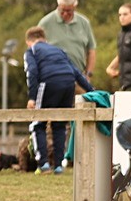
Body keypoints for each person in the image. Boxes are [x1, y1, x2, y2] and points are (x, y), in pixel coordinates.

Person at [24, 26, 92, 174]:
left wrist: (32, 97)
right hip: (68, 83)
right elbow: (76, 72)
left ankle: (43, 164)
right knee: (60, 125)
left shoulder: (31, 51)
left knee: (37, 123)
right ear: (44, 39)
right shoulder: (58, 50)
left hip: (48, 83)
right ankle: (59, 165)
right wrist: (91, 90)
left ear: (29, 41)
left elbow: (32, 72)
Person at [38, 0, 97, 82]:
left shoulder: (84, 22)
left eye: (69, 11)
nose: (65, 14)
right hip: (53, 77)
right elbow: (36, 51)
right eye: (62, 10)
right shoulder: (45, 23)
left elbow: (91, 50)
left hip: (78, 77)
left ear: (75, 6)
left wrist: (88, 74)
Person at [105, 3, 131, 91]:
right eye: (120, 15)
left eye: (125, 14)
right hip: (125, 83)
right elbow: (123, 53)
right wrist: (110, 68)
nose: (122, 17)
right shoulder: (121, 34)